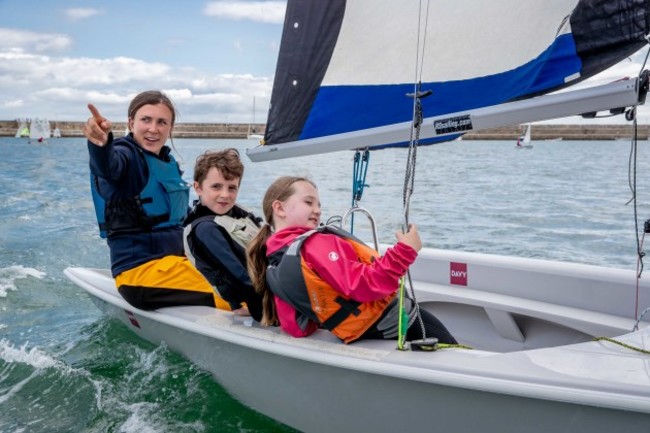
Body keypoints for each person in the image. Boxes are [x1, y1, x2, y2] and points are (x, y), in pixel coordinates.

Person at [246, 176, 457, 345]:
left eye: (319, 204)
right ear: (279, 208)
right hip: (398, 322)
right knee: (455, 353)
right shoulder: (315, 244)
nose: (317, 210)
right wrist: (406, 250)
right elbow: (365, 284)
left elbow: (296, 327)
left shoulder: (275, 259)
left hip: (365, 333)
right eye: (308, 202)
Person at [84, 90, 229, 311]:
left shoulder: (167, 162)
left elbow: (183, 217)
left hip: (177, 264)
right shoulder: (126, 157)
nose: (154, 129)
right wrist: (101, 145)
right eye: (146, 120)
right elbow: (108, 167)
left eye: (162, 122)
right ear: (131, 123)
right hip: (142, 274)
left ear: (170, 128)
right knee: (236, 291)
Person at [183, 148, 263, 321]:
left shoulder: (238, 213)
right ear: (198, 188)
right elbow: (237, 274)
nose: (225, 195)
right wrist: (266, 309)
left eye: (232, 188)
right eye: (216, 187)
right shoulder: (205, 229)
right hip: (262, 303)